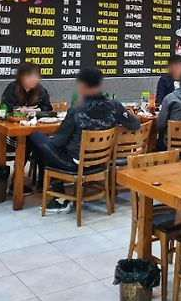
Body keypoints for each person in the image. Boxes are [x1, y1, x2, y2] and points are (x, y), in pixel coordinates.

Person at [30, 67, 140, 213]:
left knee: (37, 137)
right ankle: (51, 191)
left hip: (75, 164)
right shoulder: (115, 106)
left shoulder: (76, 109)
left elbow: (58, 142)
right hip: (102, 162)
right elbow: (135, 124)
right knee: (47, 146)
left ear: (81, 86)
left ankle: (60, 198)